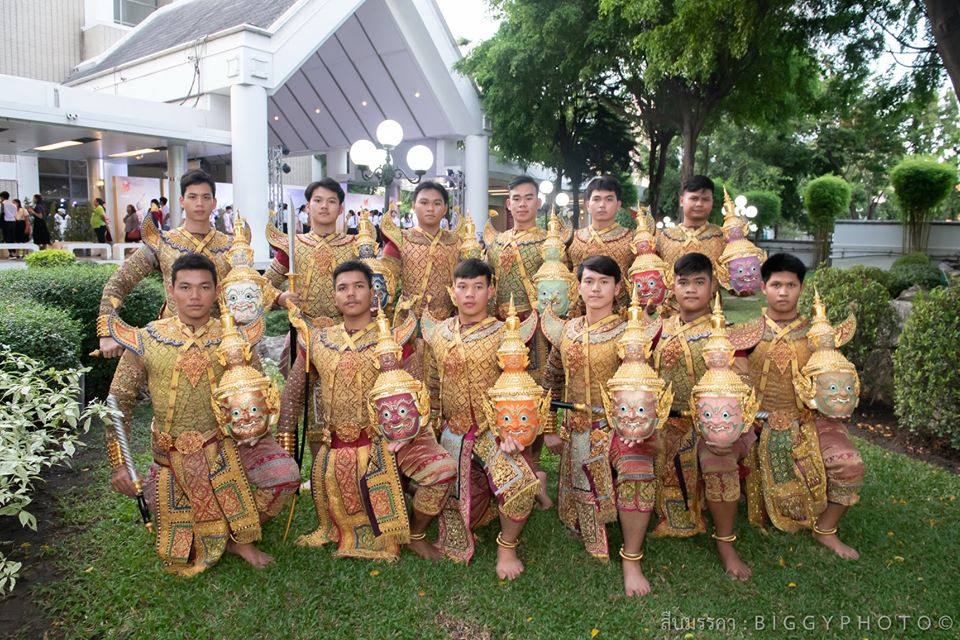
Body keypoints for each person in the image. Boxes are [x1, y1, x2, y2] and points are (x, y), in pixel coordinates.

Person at [104, 253, 299, 575]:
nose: (195, 296)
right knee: (171, 529)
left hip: (228, 447)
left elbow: (253, 393)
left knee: (283, 476)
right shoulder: (148, 339)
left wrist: (256, 431)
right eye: (186, 287)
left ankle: (237, 538)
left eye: (204, 287)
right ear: (171, 289)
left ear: (216, 290)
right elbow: (117, 402)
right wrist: (118, 463)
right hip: (172, 454)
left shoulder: (234, 339)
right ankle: (218, 527)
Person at [277, 260, 455, 561]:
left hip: (389, 440)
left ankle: (414, 532)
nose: (350, 294)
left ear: (372, 293)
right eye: (342, 288)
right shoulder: (319, 340)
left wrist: (409, 434)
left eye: (358, 286)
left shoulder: (393, 338)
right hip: (336, 448)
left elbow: (414, 390)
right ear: (334, 297)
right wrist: (285, 439)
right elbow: (295, 390)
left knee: (442, 471)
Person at [423, 259, 541, 578]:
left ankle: (507, 548)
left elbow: (521, 392)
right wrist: (431, 427)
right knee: (434, 490)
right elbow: (432, 383)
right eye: (462, 287)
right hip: (451, 432)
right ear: (452, 292)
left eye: (478, 287)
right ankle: (481, 502)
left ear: (490, 291)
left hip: (493, 432)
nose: (469, 294)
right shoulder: (440, 332)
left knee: (519, 485)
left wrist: (515, 431)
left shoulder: (505, 334)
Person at [648, 252, 763, 581]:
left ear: (714, 286)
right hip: (665, 422)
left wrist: (730, 429)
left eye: (699, 282)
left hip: (715, 425)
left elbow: (743, 383)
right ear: (673, 286)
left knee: (719, 464)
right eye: (683, 282)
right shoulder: (660, 327)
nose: (691, 290)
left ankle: (726, 541)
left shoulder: (725, 333)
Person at [97, 170, 291, 358]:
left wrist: (278, 297)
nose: (199, 203)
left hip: (222, 344)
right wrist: (106, 331)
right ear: (182, 201)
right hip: (171, 345)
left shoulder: (230, 247)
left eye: (206, 197)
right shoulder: (163, 243)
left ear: (214, 202)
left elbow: (247, 289)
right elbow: (119, 282)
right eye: (192, 197)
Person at [745, 253, 864, 558]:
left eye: (790, 285)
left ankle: (826, 529)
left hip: (809, 418)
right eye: (776, 284)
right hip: (755, 420)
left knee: (849, 463)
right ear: (763, 287)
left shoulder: (818, 335)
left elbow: (835, 381)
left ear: (801, 288)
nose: (783, 292)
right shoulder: (746, 333)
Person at [541, 256, 628, 561]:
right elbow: (551, 377)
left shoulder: (627, 333)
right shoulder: (567, 331)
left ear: (617, 288)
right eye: (589, 281)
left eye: (604, 282)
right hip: (575, 424)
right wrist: (550, 428)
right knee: (577, 488)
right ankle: (583, 523)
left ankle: (612, 525)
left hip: (614, 425)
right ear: (578, 287)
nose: (596, 289)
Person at [265, 178, 360, 325]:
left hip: (345, 330)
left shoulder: (355, 245)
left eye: (332, 201)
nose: (324, 206)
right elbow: (262, 284)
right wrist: (279, 297)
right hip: (303, 330)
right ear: (308, 206)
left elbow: (372, 289)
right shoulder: (292, 245)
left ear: (341, 209)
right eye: (318, 200)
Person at [568, 175, 635, 307]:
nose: (602, 205)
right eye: (596, 199)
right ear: (587, 205)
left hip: (621, 311)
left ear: (618, 205)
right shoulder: (572, 238)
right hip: (577, 311)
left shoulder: (632, 238)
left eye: (609, 199)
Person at [656, 176, 725, 272]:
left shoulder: (723, 237)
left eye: (705, 199)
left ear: (712, 202)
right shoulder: (664, 238)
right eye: (694, 198)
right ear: (682, 201)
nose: (699, 204)